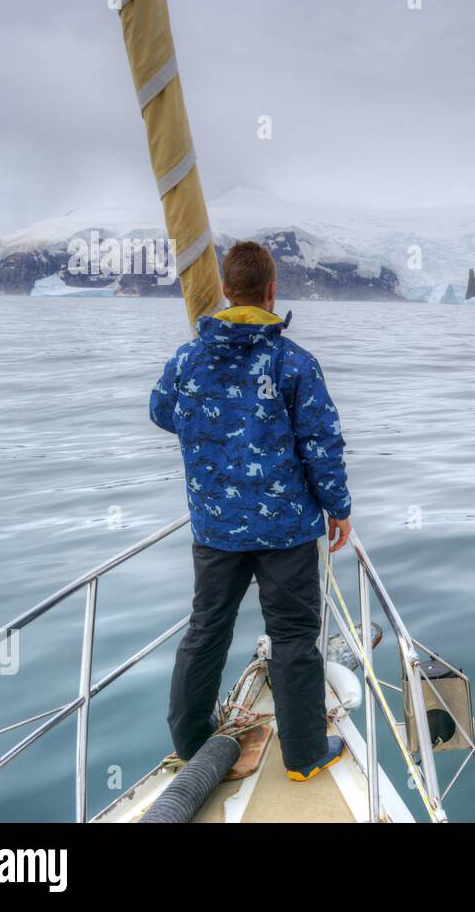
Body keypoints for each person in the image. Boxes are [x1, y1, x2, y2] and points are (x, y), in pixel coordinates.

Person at [150, 240, 351, 781]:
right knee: (291, 636)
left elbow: (162, 411)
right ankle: (305, 754)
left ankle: (193, 745)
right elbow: (321, 444)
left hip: (217, 527)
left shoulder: (190, 358)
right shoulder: (294, 363)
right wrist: (338, 508)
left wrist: (211, 425)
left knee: (207, 628)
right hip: (285, 530)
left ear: (224, 290)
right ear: (270, 291)